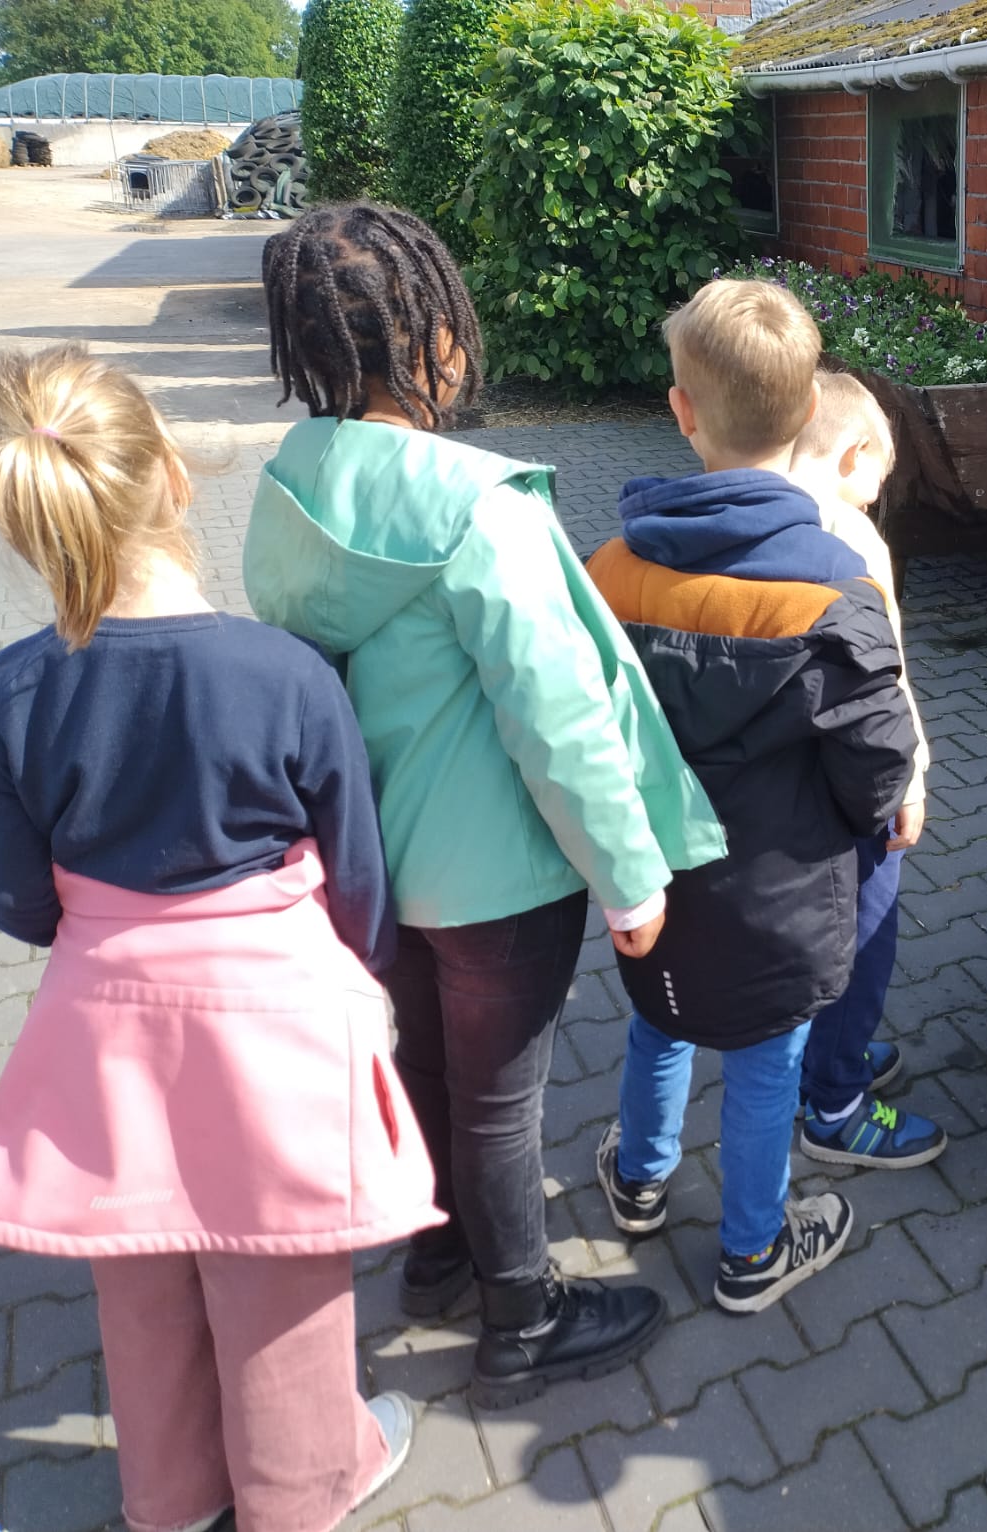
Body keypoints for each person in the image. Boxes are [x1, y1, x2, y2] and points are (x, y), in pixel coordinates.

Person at [244, 202, 727, 1410]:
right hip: (499, 878)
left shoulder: (294, 481)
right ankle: (522, 1314)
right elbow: (555, 715)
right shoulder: (479, 505)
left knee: (424, 1071)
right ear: (431, 338)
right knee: (503, 1100)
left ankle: (435, 1253)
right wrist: (629, 875)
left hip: (372, 863)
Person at [0, 345, 432, 1532]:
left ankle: (167, 1498)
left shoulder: (15, 686)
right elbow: (358, 871)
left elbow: (11, 893)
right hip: (269, 1015)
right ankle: (306, 1480)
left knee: (141, 1266)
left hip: (104, 1021)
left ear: (26, 524)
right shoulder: (284, 671)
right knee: (278, 1271)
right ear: (174, 473)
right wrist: (364, 967)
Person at [586, 279, 918, 1314]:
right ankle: (750, 1249)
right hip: (784, 898)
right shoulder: (834, 585)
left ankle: (638, 1179)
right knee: (766, 1063)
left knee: (659, 1023)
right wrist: (884, 811)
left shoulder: (608, 566)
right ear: (804, 414)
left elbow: (585, 728)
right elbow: (877, 761)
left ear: (681, 409)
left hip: (656, 885)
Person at [783, 371, 943, 1170]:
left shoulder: (767, 518)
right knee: (865, 937)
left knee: (820, 933)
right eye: (879, 476)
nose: (878, 495)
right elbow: (887, 676)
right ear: (851, 455)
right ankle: (835, 1104)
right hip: (861, 780)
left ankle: (824, 1061)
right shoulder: (851, 536)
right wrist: (910, 776)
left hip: (789, 784)